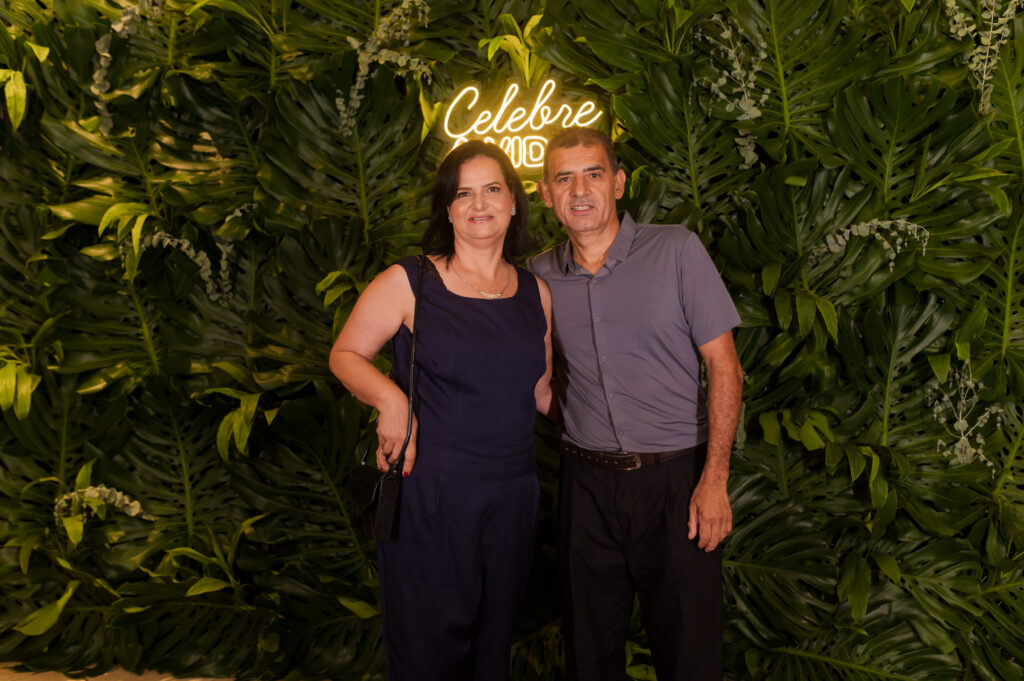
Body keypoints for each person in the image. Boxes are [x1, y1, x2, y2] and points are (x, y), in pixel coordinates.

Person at [329, 140, 554, 680]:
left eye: (492, 189)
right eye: (463, 193)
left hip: (514, 497)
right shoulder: (411, 281)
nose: (479, 203)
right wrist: (392, 399)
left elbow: (543, 391)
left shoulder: (536, 292)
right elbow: (345, 355)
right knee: (427, 651)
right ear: (447, 209)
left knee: (492, 647)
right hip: (432, 494)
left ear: (514, 201)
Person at [529, 127, 744, 681]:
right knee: (589, 657)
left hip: (676, 484)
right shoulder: (537, 277)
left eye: (594, 174)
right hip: (585, 488)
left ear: (619, 183)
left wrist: (714, 479)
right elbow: (530, 379)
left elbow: (725, 366)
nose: (580, 190)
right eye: (564, 178)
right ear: (546, 194)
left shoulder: (675, 250)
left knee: (689, 658)